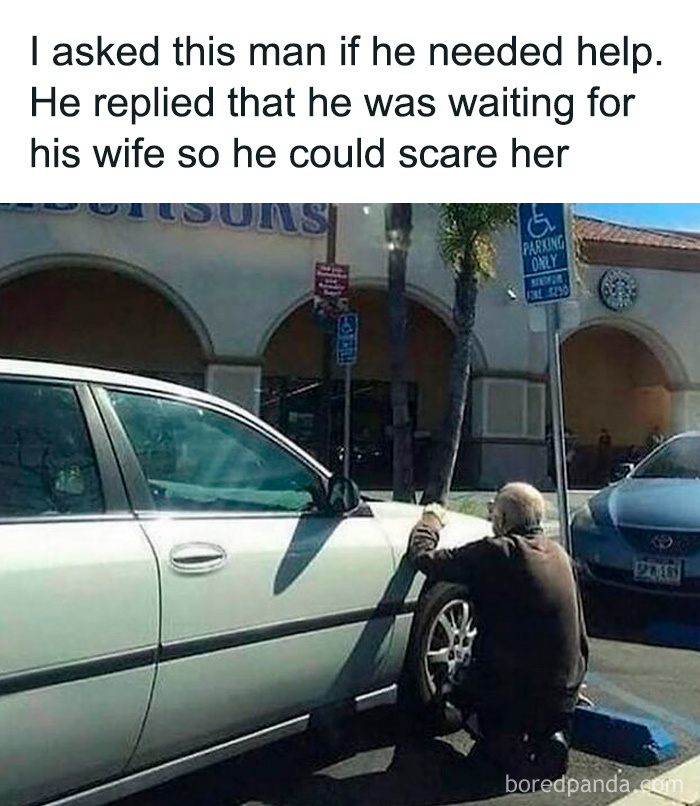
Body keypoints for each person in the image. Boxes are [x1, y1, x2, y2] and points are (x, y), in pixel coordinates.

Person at [407, 483, 588, 782]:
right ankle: (550, 735)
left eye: (494, 514)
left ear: (503, 521)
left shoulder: (498, 552)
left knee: (459, 682)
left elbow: (424, 558)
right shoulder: (559, 554)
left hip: (516, 691)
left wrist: (430, 520)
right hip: (565, 689)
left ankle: (501, 743)